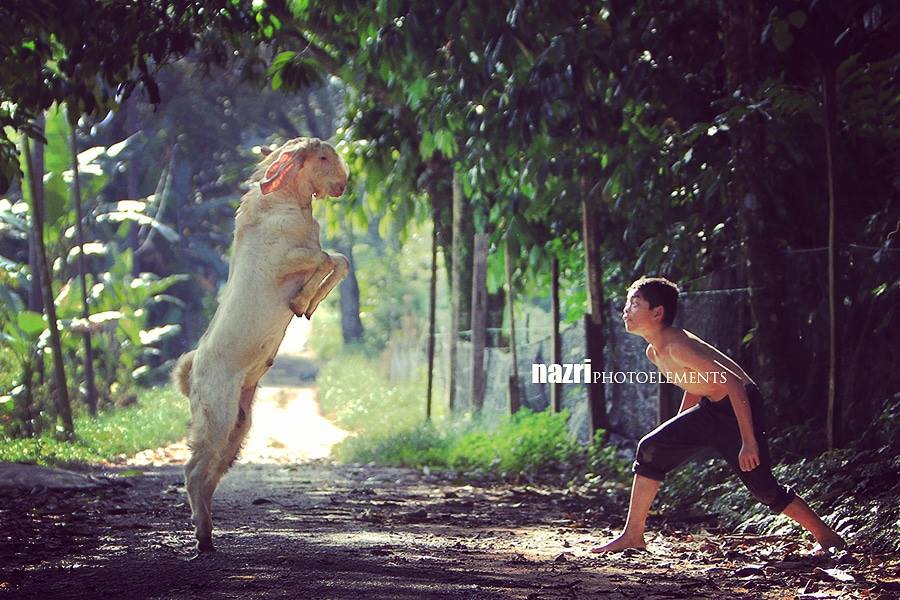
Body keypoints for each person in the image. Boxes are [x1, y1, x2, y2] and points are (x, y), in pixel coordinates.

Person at [592, 276, 845, 555]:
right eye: (628, 303)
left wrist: (749, 441)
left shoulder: (678, 346)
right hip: (711, 408)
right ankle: (633, 535)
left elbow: (734, 384)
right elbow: (694, 384)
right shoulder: (655, 351)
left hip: (739, 406)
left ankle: (827, 537)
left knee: (764, 489)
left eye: (635, 303)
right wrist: (678, 429)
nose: (626, 309)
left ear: (657, 312)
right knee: (651, 448)